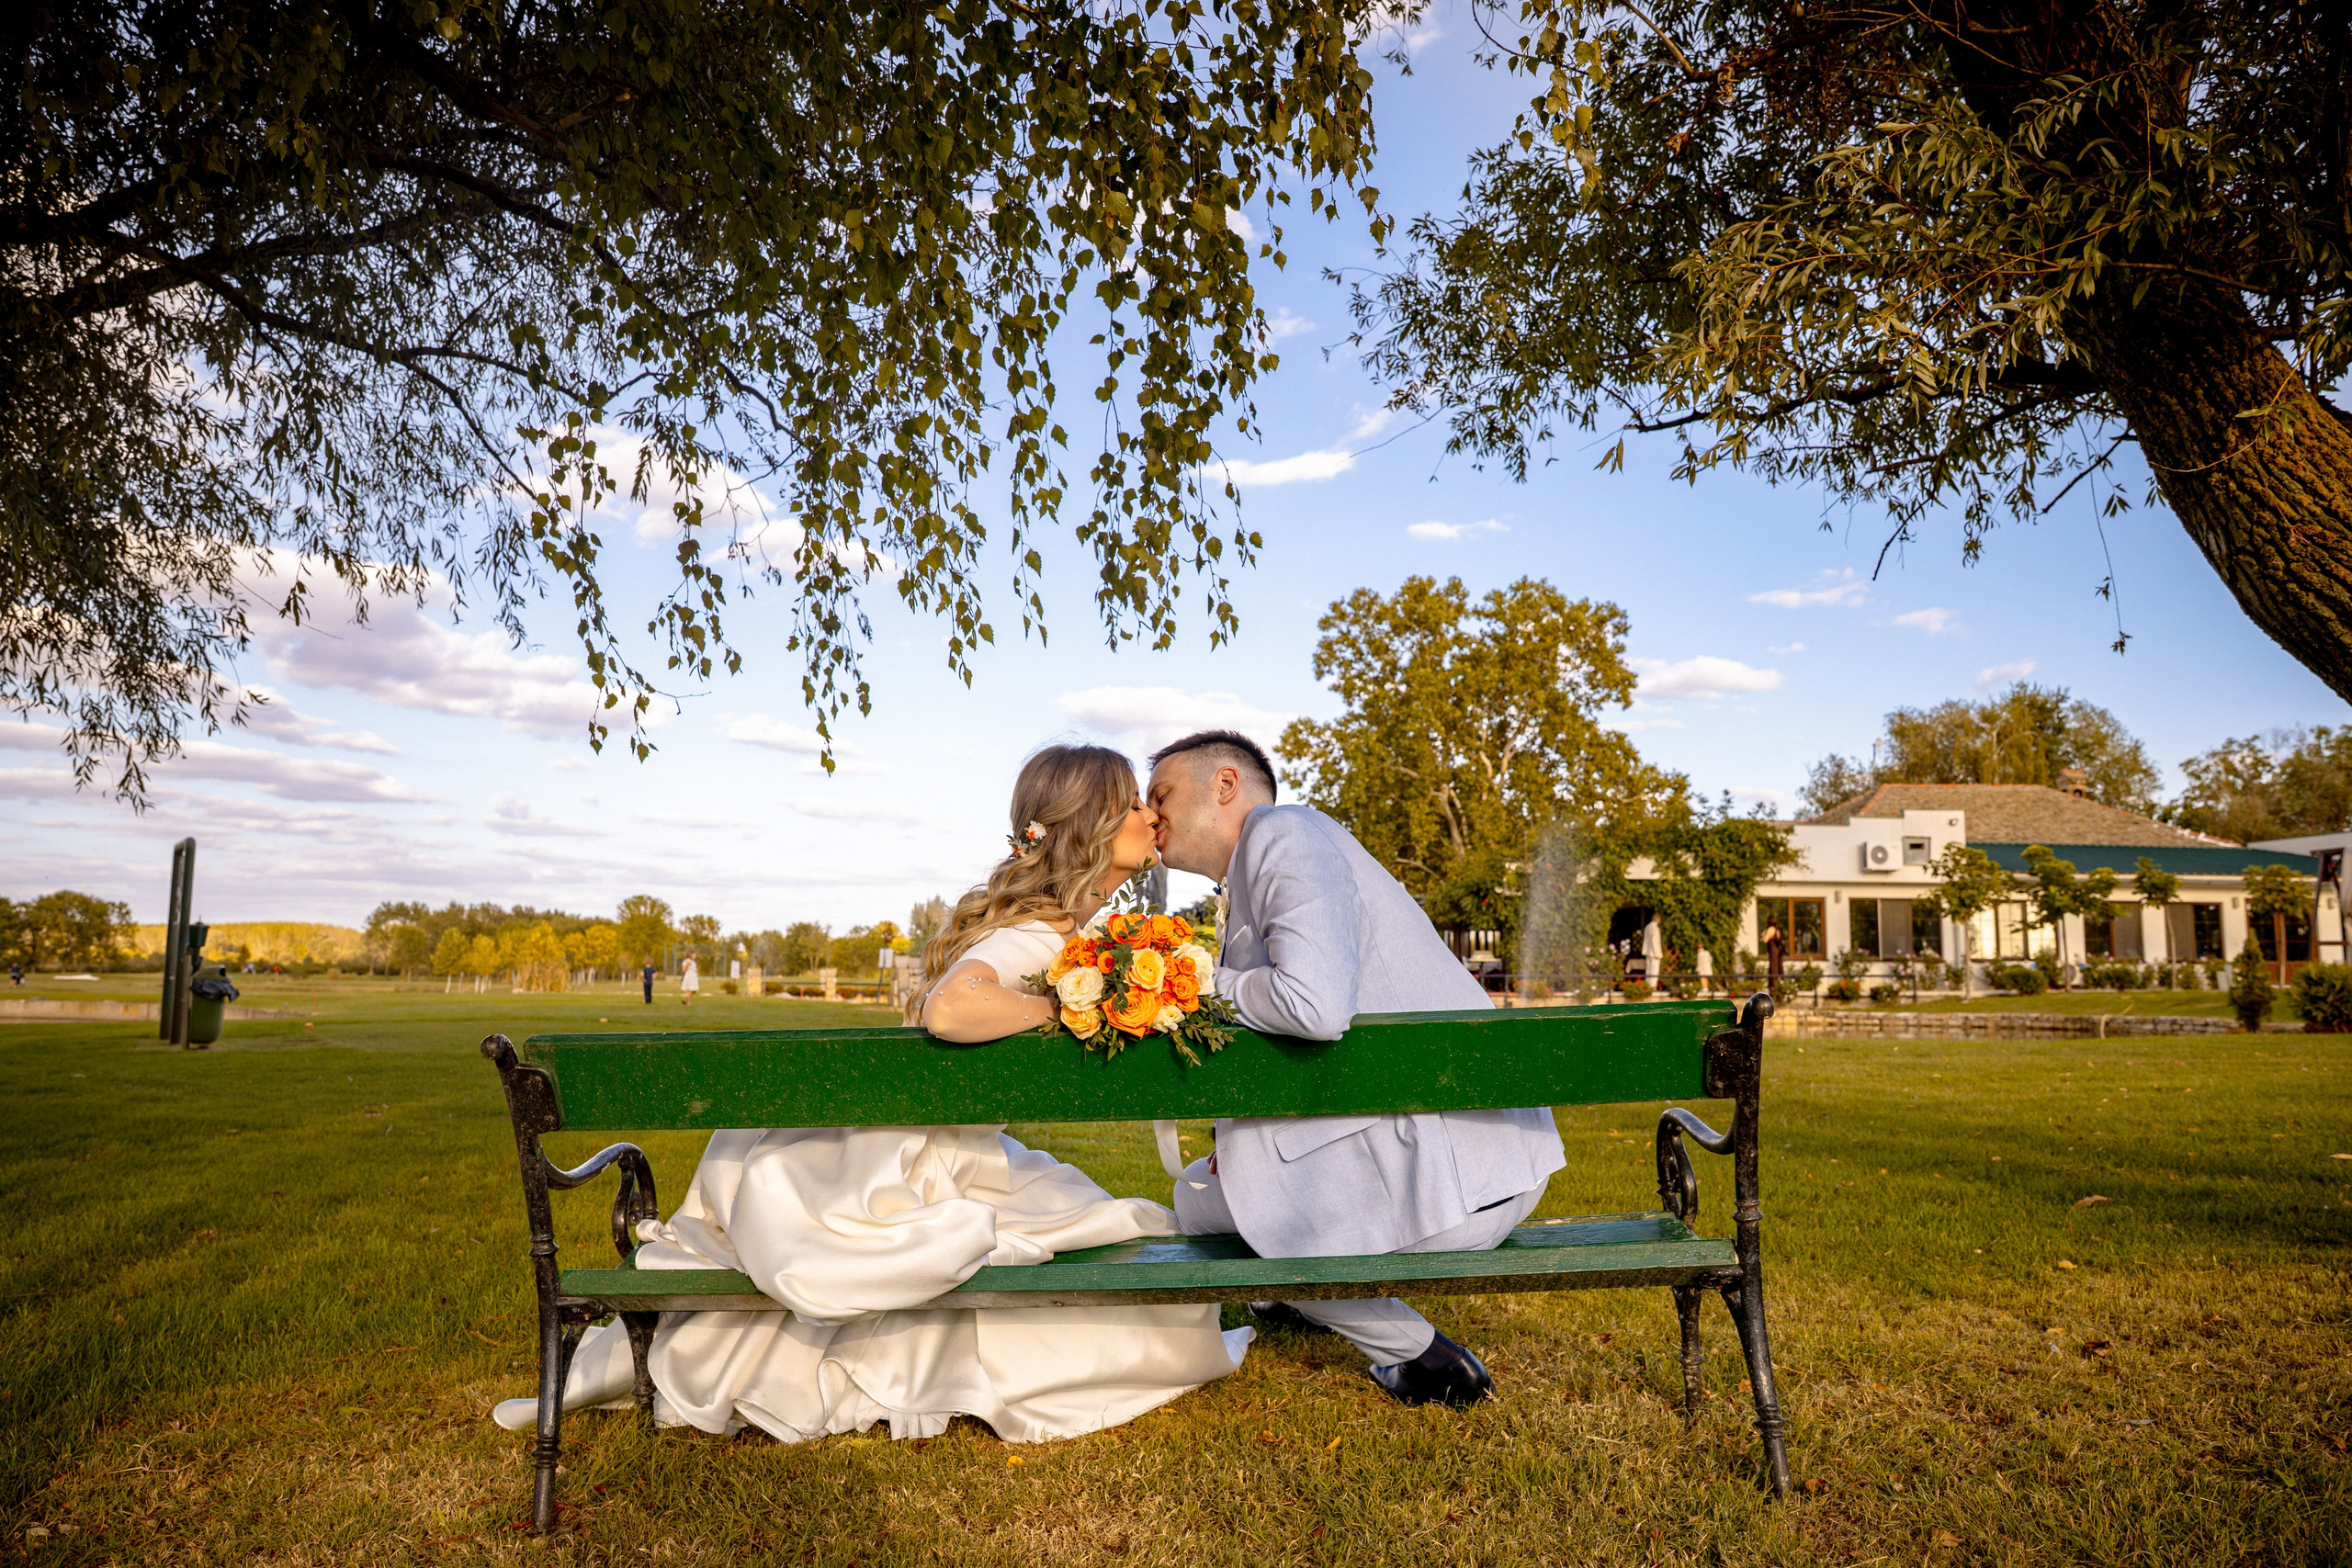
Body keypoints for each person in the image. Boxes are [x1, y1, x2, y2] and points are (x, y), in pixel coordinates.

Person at [495, 744, 1247, 1447]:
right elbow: (951, 1008)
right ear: (1091, 828)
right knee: (1123, 1245)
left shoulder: (1062, 931)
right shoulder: (1043, 938)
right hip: (910, 1160)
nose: (1152, 816)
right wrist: (1073, 1007)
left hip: (927, 1142)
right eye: (1133, 803)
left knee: (1103, 1222)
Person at [1145, 729, 1566, 1408]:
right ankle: (1288, 1298)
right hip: (1430, 1142)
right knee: (1202, 1189)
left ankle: (1421, 1355)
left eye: (1160, 794)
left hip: (1454, 1174)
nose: (1150, 813)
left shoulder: (1283, 834)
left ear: (1225, 784)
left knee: (1214, 1207)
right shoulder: (1268, 860)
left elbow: (1312, 1007)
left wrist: (1193, 982)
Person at [1641, 913, 1664, 992]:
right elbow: (1654, 941)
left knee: (1649, 970)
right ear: (1658, 920)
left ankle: (1647, 986)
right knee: (1654, 970)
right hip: (1654, 953)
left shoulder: (1647, 927)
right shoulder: (1655, 928)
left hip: (1648, 952)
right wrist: (1657, 953)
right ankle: (1652, 987)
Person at [1763, 919, 1786, 987]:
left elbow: (1765, 940)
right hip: (1778, 951)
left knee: (1773, 968)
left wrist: (1764, 934)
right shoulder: (1777, 930)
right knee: (1778, 968)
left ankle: (1773, 986)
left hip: (1773, 951)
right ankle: (1779, 984)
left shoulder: (1770, 929)